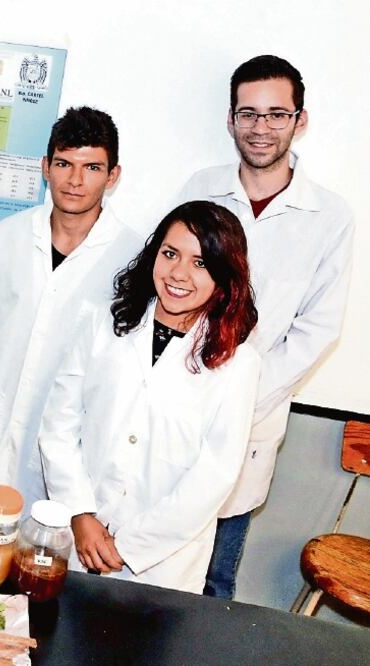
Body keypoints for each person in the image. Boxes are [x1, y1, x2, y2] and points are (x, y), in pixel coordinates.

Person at [178, 55, 354, 598]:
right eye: (249, 113)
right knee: (152, 567)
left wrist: (239, 396)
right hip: (176, 405)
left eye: (277, 114)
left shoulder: (329, 216)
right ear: (230, 119)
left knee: (214, 581)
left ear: (300, 121)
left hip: (251, 421)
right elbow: (172, 287)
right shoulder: (200, 190)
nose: (261, 127)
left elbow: (317, 329)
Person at [39, 201, 260, 593]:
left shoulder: (238, 363)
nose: (178, 273)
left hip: (161, 565)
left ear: (225, 276)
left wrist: (128, 546)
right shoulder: (104, 323)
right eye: (170, 254)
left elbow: (215, 475)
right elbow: (59, 425)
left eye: (200, 263)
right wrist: (80, 513)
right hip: (80, 539)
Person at [0, 107, 144, 510]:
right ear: (45, 167)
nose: (75, 180)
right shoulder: (6, 238)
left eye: (92, 168)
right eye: (64, 163)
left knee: (50, 543)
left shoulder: (132, 259)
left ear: (113, 176)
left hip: (72, 449)